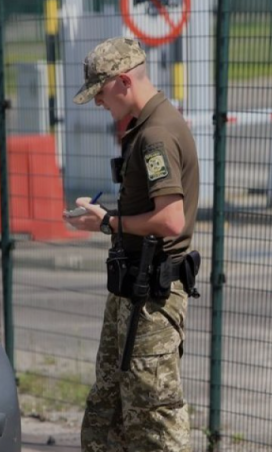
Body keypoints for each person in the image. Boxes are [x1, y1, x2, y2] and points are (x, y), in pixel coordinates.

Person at [64, 37, 199, 452]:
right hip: (132, 290)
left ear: (123, 82)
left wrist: (107, 221)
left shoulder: (156, 133)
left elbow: (171, 220)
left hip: (152, 297)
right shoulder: (144, 127)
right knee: (109, 413)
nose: (99, 104)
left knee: (154, 420)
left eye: (100, 94)